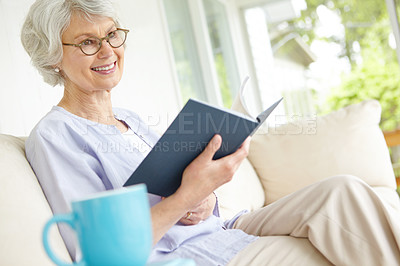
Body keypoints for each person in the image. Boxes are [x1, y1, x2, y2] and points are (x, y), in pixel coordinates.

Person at [21, 0, 400, 265]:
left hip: (219, 227)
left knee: (343, 190)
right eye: (88, 42)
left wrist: (204, 200)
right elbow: (101, 252)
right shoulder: (56, 136)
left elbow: (183, 194)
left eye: (112, 35)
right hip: (188, 254)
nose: (108, 51)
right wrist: (189, 195)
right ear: (53, 56)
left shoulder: (131, 119)